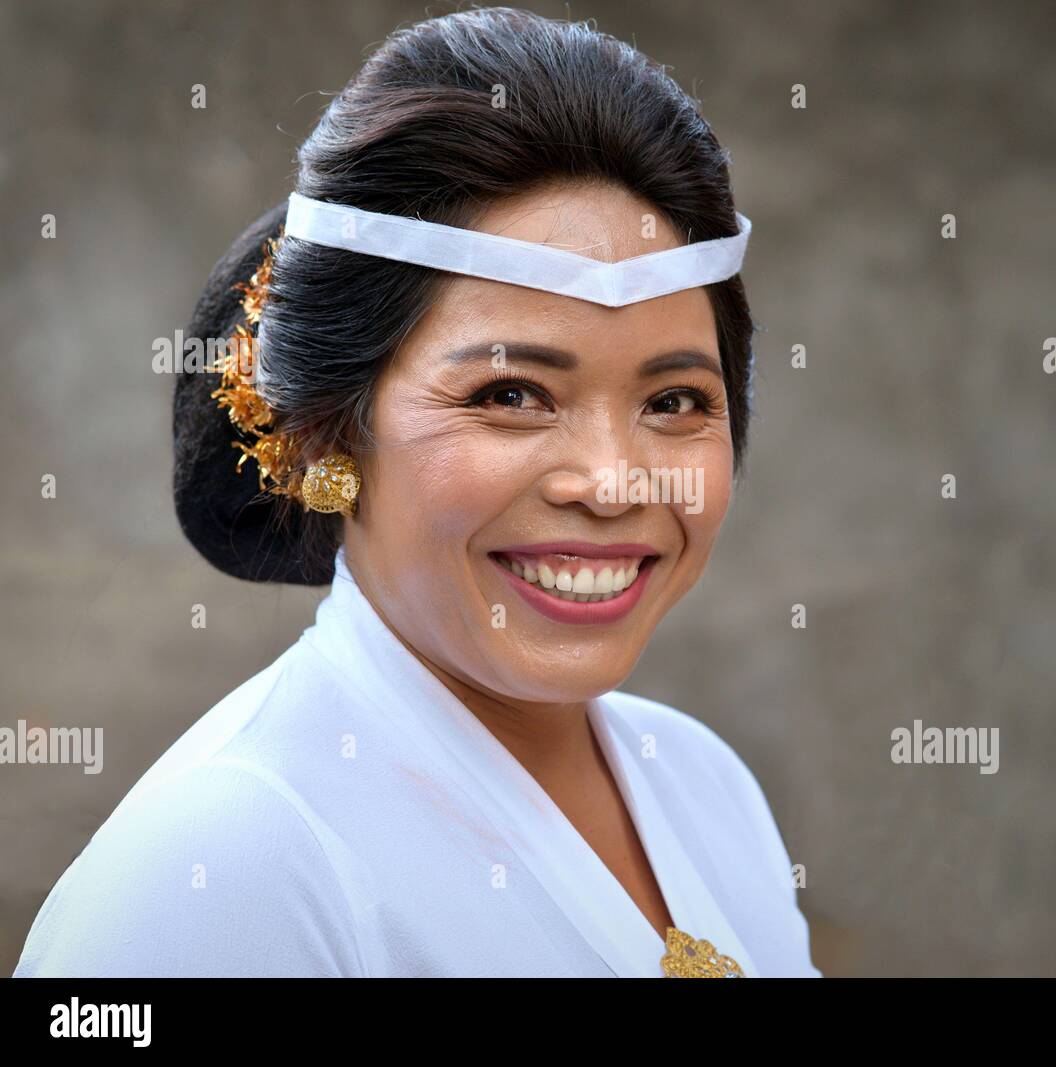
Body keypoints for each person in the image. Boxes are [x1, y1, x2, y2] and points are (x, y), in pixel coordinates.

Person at [13, 7, 819, 978]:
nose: (613, 481)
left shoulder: (703, 784)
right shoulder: (225, 864)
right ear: (324, 426)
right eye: (511, 393)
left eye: (675, 398)